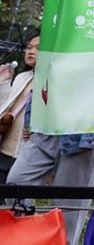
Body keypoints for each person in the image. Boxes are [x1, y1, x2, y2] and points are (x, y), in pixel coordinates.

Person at [8, 40, 94, 245]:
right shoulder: (60, 25)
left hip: (82, 130)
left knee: (69, 208)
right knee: (16, 184)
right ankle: (20, 238)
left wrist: (93, 136)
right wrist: (30, 118)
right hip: (47, 124)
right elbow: (44, 74)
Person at [0, 34, 37, 182]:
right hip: (3, 150)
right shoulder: (22, 77)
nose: (31, 51)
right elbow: (3, 106)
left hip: (22, 155)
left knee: (14, 200)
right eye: (29, 47)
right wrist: (3, 81)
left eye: (38, 48)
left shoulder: (51, 82)